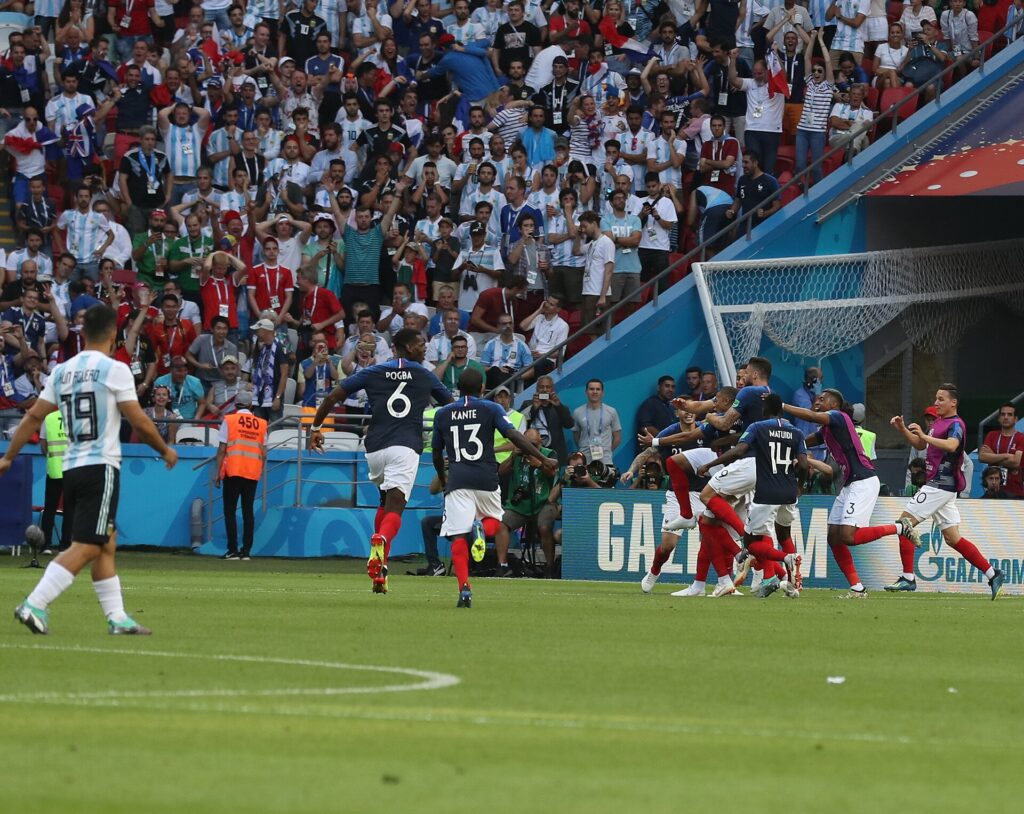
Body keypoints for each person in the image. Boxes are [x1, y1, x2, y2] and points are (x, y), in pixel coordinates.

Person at [2, 303, 178, 636]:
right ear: (114, 334)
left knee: (105, 542)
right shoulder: (115, 369)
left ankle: (117, 617)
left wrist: (9, 456)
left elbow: (34, 417)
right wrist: (164, 448)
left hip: (71, 468)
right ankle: (34, 603)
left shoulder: (62, 371)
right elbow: (137, 417)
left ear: (83, 333)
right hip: (101, 466)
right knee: (88, 544)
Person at [307, 329, 454, 592]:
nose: (425, 348)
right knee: (396, 509)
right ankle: (381, 539)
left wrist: (316, 427)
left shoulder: (373, 371)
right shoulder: (424, 374)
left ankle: (381, 571)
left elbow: (333, 396)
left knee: (385, 501)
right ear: (407, 348)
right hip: (405, 446)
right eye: (420, 344)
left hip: (374, 448)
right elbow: (451, 406)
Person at [432, 367, 554, 607]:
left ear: (459, 390)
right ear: (482, 389)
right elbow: (515, 436)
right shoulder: (491, 408)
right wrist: (542, 457)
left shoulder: (443, 413)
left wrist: (442, 476)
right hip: (486, 477)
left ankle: (464, 587)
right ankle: (479, 529)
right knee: (494, 523)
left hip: (458, 480)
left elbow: (437, 452)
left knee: (458, 536)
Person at [782, 388, 920, 598]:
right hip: (850, 484)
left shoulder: (839, 417)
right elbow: (802, 441)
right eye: (817, 398)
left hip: (863, 481)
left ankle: (900, 528)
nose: (817, 400)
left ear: (835, 405)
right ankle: (857, 587)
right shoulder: (827, 430)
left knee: (848, 536)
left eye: (823, 398)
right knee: (834, 537)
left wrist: (780, 406)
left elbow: (810, 416)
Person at [887, 383, 1005, 598]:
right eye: (936, 398)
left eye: (941, 399)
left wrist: (924, 435)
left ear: (953, 402)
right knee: (952, 538)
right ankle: (992, 573)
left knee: (903, 524)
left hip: (940, 485)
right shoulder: (940, 423)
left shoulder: (956, 424)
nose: (936, 402)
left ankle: (908, 578)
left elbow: (951, 446)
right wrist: (904, 429)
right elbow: (922, 446)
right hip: (943, 488)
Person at [632, 404, 721, 596]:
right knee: (668, 545)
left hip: (703, 493)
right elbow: (648, 452)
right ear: (677, 413)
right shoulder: (670, 433)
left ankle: (706, 583)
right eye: (684, 410)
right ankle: (654, 572)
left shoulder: (704, 430)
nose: (689, 413)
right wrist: (631, 470)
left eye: (692, 409)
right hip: (677, 495)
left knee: (710, 540)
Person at [494, 428, 562, 578]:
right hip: (520, 505)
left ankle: (549, 567)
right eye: (526, 444)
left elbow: (552, 472)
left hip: (544, 502)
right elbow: (501, 471)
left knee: (544, 526)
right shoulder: (518, 454)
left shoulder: (548, 454)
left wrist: (539, 463)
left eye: (533, 444)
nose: (529, 448)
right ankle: (502, 565)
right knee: (501, 524)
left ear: (540, 442)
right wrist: (513, 456)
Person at [214, 389, 267, 561]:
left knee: (229, 511)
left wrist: (217, 473)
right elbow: (264, 452)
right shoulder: (261, 423)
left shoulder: (229, 420)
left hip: (233, 470)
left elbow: (222, 449)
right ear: (251, 405)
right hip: (251, 471)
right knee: (248, 511)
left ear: (235, 405)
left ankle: (232, 550)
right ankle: (246, 551)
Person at [520, 375, 574, 465]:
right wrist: (534, 408)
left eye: (548, 387)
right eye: (541, 387)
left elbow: (569, 424)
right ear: (537, 389)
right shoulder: (528, 404)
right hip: (534, 453)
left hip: (555, 455)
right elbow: (522, 426)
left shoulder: (559, 406)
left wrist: (559, 406)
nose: (545, 390)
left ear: (553, 390)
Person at [39, 406, 71, 552]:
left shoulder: (49, 418)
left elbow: (43, 446)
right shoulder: (75, 418)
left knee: (49, 508)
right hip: (72, 470)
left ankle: (45, 545)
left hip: (53, 469)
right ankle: (65, 545)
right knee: (71, 510)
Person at [979, 403, 1024, 498]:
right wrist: (1007, 456)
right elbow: (982, 457)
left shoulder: (1021, 438)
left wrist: (993, 455)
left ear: (1016, 419)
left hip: (1015, 492)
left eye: (1009, 414)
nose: (1006, 417)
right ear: (999, 418)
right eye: (1003, 414)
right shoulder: (992, 435)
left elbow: (1016, 462)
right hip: (993, 491)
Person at [572, 378, 621, 465]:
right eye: (591, 389)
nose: (595, 392)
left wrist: (607, 450)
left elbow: (617, 438)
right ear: (586, 392)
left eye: (598, 389)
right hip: (584, 459)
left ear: (602, 393)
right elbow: (576, 436)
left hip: (605, 460)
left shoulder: (611, 411)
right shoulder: (577, 412)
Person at [635, 375, 677, 451]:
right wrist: (664, 438)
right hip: (651, 451)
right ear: (658, 387)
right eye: (667, 386)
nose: (670, 389)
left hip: (667, 449)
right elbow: (645, 427)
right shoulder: (650, 403)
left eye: (673, 387)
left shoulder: (671, 406)